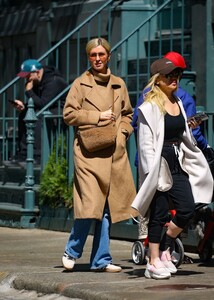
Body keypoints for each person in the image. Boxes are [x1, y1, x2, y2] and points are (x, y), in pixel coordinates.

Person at [131, 57, 213, 279]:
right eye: (169, 76)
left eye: (177, 75)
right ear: (158, 80)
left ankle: (165, 244)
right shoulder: (149, 106)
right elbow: (146, 142)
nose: (174, 79)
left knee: (187, 207)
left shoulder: (178, 103)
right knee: (158, 213)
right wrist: (151, 173)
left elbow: (181, 134)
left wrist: (190, 130)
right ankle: (153, 261)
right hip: (159, 162)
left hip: (176, 159)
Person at [62, 37, 137, 272]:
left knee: (106, 207)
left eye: (101, 55)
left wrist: (123, 133)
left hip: (113, 152)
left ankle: (101, 260)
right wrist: (98, 117)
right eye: (93, 55)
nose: (97, 59)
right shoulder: (80, 84)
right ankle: (72, 250)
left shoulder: (118, 84)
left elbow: (128, 114)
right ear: (88, 57)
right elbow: (69, 114)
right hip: (87, 153)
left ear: (108, 56)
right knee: (90, 205)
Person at [6, 59, 68, 165]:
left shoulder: (54, 81)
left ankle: (38, 155)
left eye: (28, 75)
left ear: (37, 72)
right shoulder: (35, 81)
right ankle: (24, 153)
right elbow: (37, 103)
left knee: (39, 116)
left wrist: (29, 92)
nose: (26, 78)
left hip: (60, 111)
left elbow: (43, 104)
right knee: (25, 114)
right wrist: (24, 107)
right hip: (46, 108)